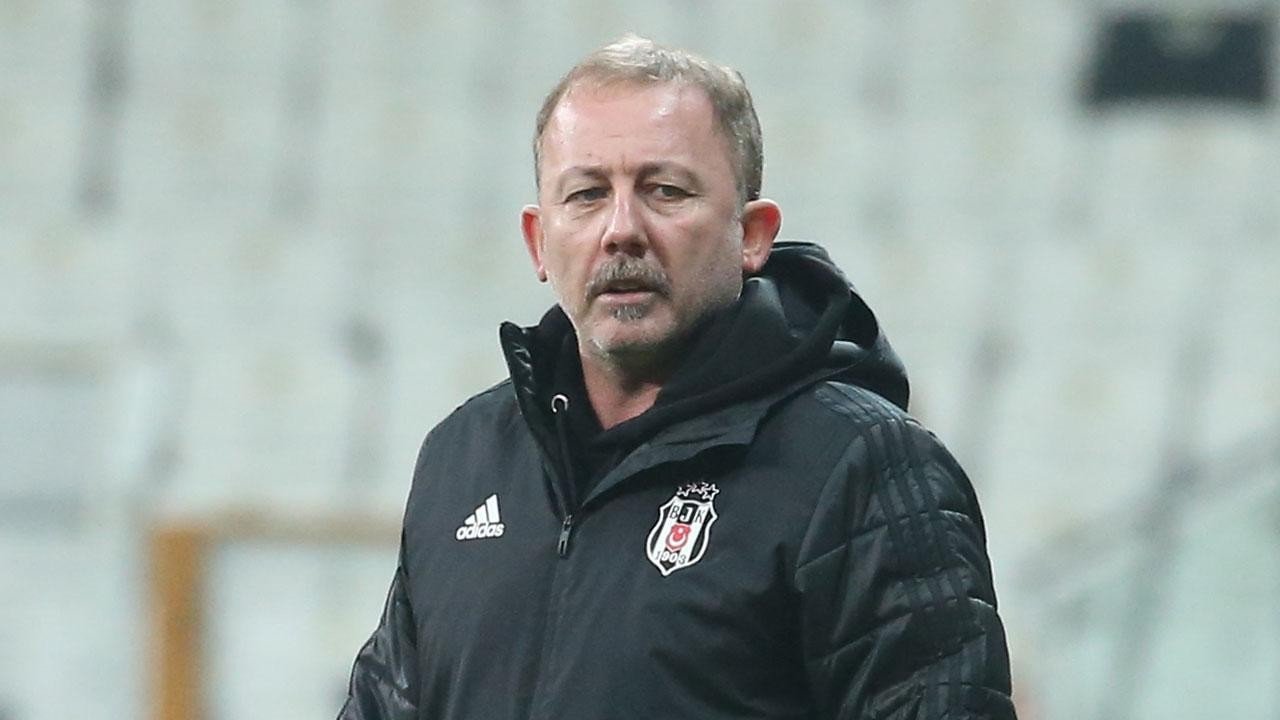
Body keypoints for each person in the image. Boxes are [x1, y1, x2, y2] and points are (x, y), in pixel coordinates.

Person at [339, 34, 1016, 720]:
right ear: (539, 241)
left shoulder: (860, 463)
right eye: (586, 194)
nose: (621, 229)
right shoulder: (464, 457)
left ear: (753, 235)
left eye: (665, 191)